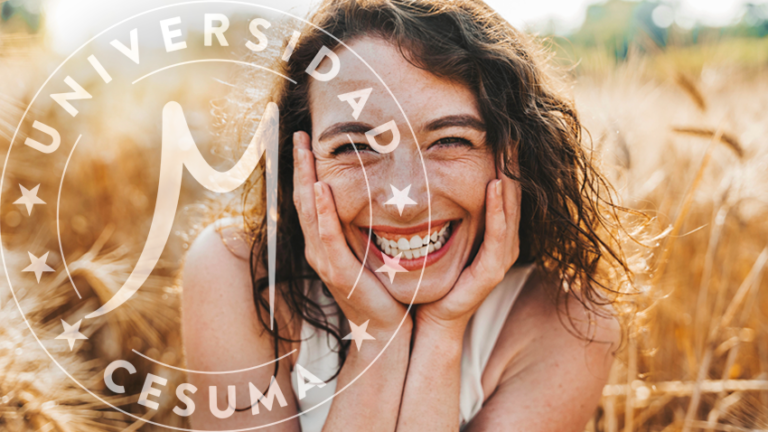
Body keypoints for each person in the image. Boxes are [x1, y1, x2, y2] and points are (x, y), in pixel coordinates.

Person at [182, 0, 638, 430]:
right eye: (355, 148)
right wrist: (379, 337)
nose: (408, 200)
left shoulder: (569, 325)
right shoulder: (238, 274)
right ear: (300, 163)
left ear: (512, 155)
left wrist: (441, 334)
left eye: (450, 141)